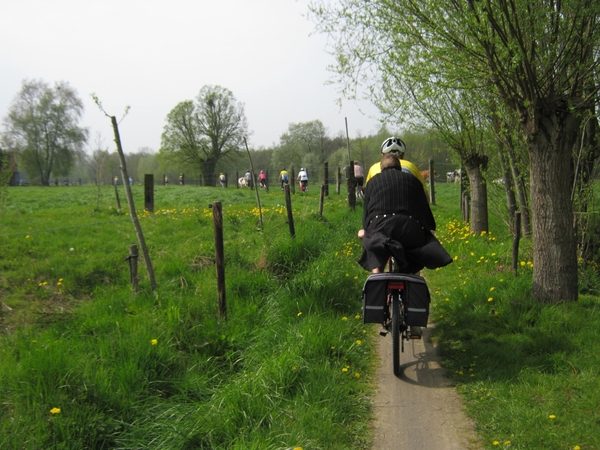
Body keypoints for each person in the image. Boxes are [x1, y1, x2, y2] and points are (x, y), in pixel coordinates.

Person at [358, 153, 452, 275]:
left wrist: (366, 230)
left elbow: (367, 212)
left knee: (377, 256)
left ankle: (377, 278)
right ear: (400, 167)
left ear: (381, 169)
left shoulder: (372, 182)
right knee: (414, 260)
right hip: (410, 229)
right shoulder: (414, 181)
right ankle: (414, 284)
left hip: (380, 229)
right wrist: (429, 227)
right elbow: (424, 207)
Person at [365, 137, 429, 201]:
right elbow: (425, 197)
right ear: (403, 155)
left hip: (380, 207)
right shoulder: (411, 166)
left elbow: (368, 195)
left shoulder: (373, 168)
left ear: (383, 155)